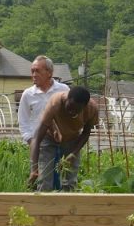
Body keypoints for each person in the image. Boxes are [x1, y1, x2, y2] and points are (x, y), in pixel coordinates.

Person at [29, 86, 99, 192]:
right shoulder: (55, 103)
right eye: (69, 107)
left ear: (84, 107)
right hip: (49, 137)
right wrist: (34, 169)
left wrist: (73, 153)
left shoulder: (92, 108)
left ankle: (67, 205)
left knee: (70, 180)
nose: (71, 111)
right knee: (44, 179)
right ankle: (45, 204)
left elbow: (86, 133)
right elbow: (37, 138)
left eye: (76, 110)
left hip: (72, 138)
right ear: (67, 99)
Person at [19, 55, 69, 186]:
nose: (34, 74)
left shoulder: (63, 90)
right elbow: (23, 122)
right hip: (41, 142)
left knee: (65, 177)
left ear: (49, 73)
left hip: (63, 139)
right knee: (44, 179)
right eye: (32, 71)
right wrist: (32, 141)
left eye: (37, 71)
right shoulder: (28, 94)